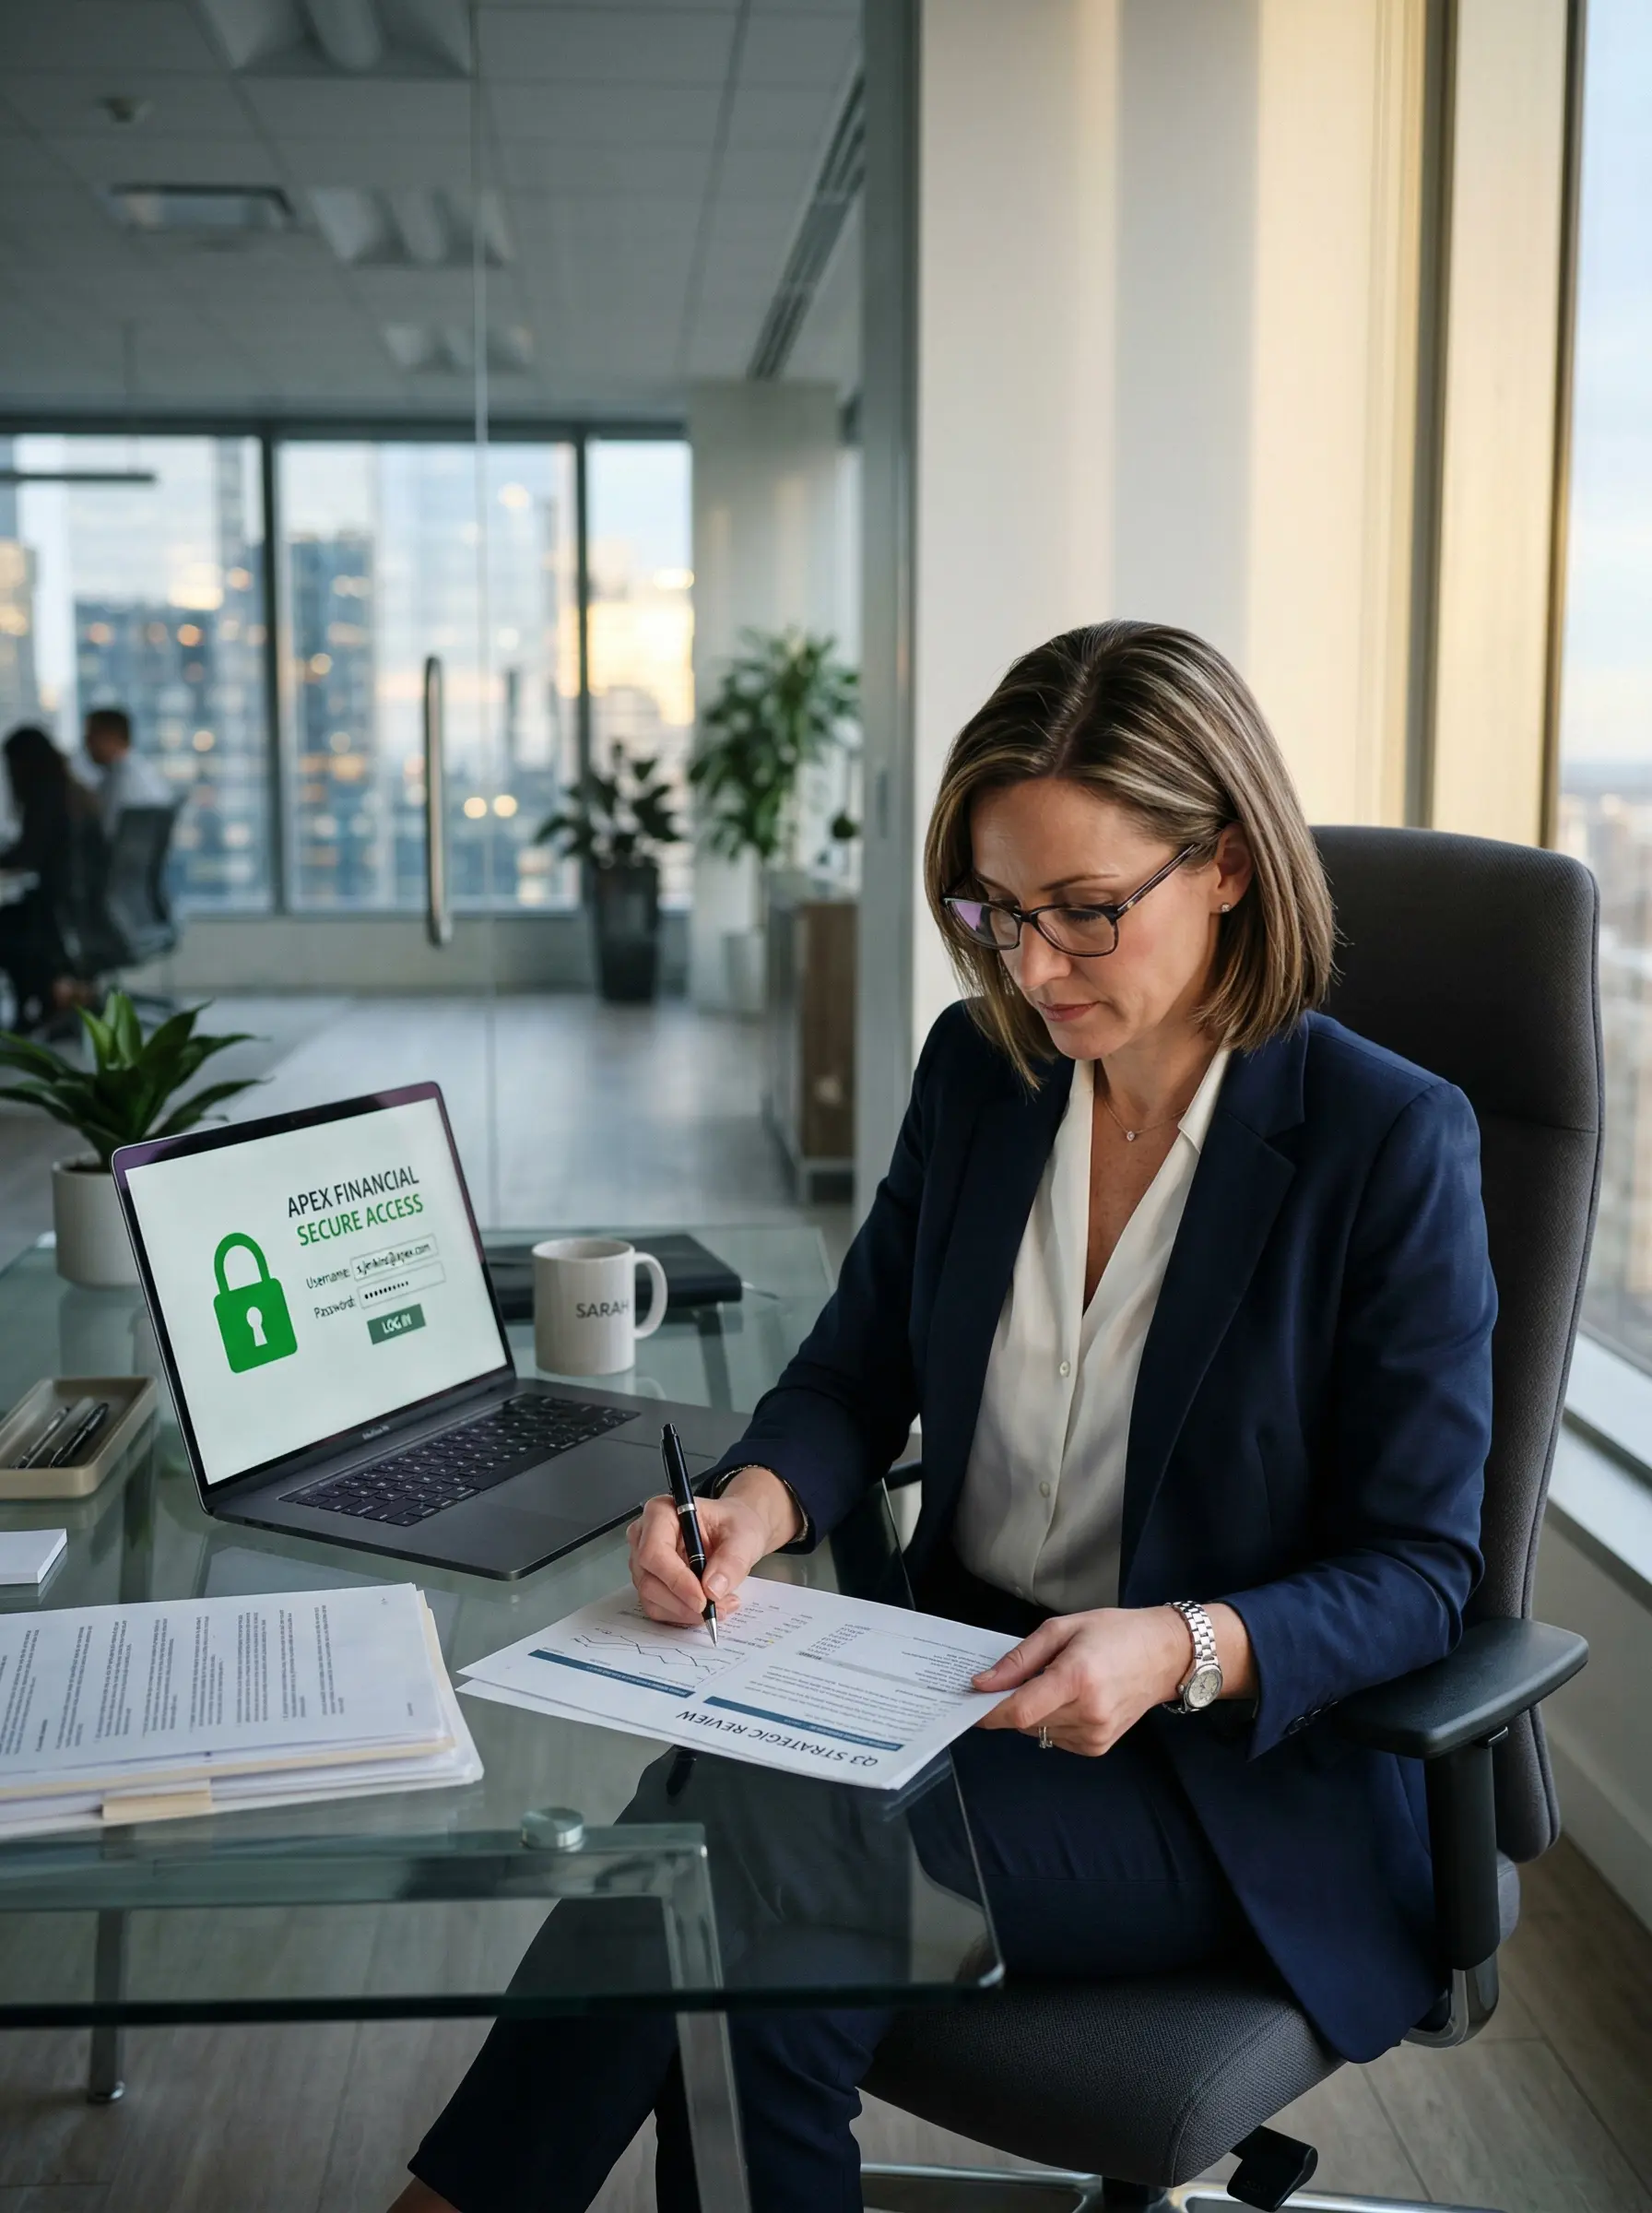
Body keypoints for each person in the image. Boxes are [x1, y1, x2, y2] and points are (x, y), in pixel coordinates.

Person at [393, 621, 1495, 2213]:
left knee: (735, 1859)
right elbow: (854, 1373)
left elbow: (1419, 1570)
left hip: (1216, 1783)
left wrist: (1178, 1645)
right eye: (999, 911)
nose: (1031, 967)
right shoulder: (985, 1075)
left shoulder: (1388, 1144)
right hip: (949, 1696)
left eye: (1086, 914)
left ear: (1233, 866)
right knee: (734, 1858)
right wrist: (756, 1505)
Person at [0, 725, 105, 1033]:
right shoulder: (72, 790)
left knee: (6, 930)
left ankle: (39, 1007)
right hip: (73, 907)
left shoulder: (47, 796)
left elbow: (28, 855)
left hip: (58, 912)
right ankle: (43, 1003)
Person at [82, 704, 171, 837]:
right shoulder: (143, 771)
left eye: (91, 735)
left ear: (111, 737)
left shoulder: (118, 779)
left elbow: (106, 832)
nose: (86, 744)